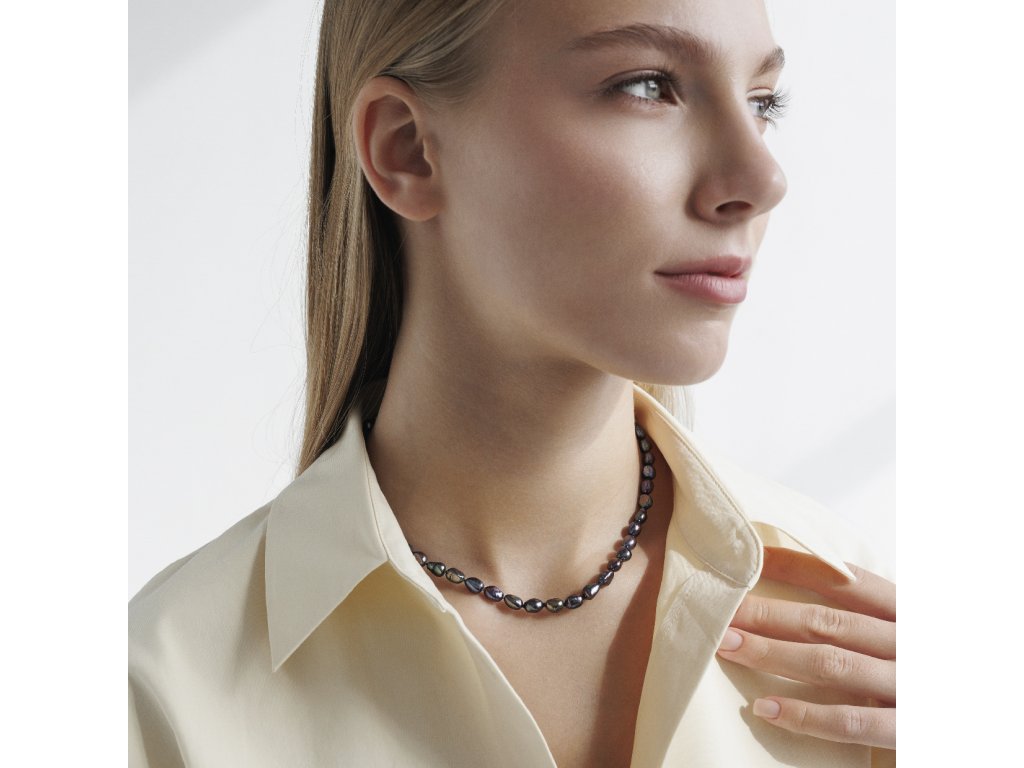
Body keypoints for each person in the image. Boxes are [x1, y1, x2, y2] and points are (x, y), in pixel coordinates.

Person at [128, 0, 896, 766]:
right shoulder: (156, 695)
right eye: (646, 87)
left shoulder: (851, 623)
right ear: (406, 150)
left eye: (763, 102)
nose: (762, 178)